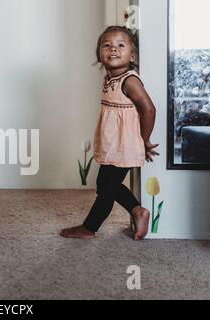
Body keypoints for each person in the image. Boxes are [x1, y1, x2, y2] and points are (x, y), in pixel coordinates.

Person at [60, 26, 159, 241]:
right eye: (107, 45)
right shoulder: (110, 78)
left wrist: (144, 140)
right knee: (106, 184)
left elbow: (149, 109)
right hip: (113, 143)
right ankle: (136, 210)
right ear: (99, 54)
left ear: (132, 55)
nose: (113, 49)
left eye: (120, 45)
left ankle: (90, 227)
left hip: (125, 144)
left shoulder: (129, 80)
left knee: (105, 189)